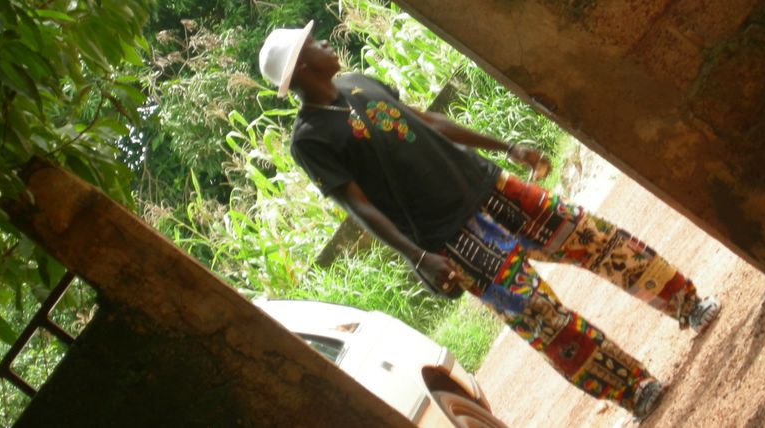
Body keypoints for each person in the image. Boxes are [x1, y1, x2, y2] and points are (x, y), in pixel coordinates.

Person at [260, 21, 721, 421]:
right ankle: (633, 389)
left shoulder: (360, 81)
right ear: (302, 67)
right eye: (315, 45)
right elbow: (358, 207)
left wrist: (506, 148)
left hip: (492, 187)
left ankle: (687, 304)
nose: (325, 45)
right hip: (452, 238)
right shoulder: (311, 140)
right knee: (541, 317)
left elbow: (429, 122)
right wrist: (419, 256)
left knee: (593, 238)